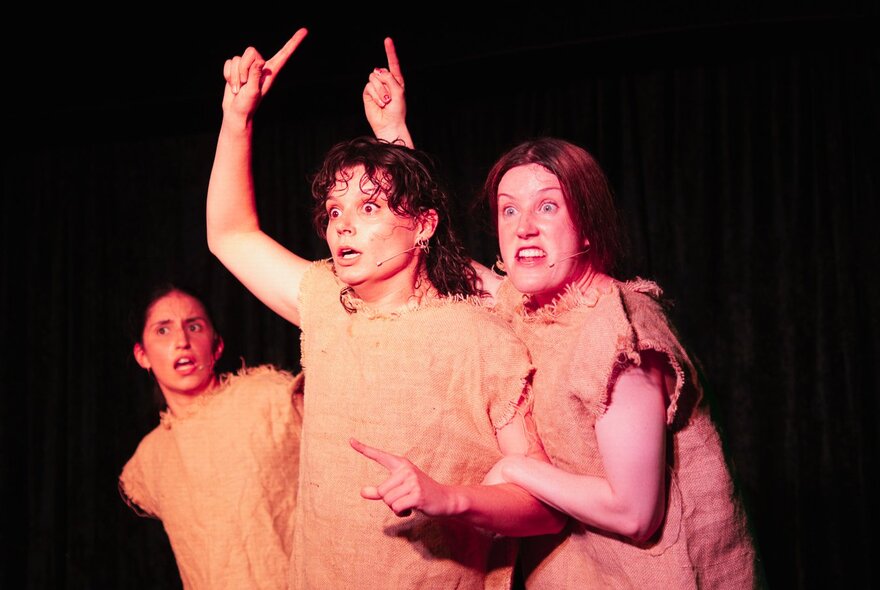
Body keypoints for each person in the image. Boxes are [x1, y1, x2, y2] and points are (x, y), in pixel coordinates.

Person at [366, 41, 762, 589]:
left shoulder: (618, 328)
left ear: (589, 224)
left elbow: (635, 513)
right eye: (510, 209)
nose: (524, 225)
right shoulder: (533, 309)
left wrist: (515, 470)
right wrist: (394, 135)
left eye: (547, 205)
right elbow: (449, 262)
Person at [205, 29, 564, 590]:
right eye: (333, 210)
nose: (342, 223)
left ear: (422, 225)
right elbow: (229, 234)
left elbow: (543, 506)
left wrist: (446, 498)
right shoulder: (326, 300)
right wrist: (237, 117)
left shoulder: (479, 336)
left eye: (368, 206)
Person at [118, 283, 304, 590]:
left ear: (216, 346)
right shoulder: (148, 459)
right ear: (142, 355)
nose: (182, 341)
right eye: (163, 331)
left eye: (194, 326)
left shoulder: (268, 397)